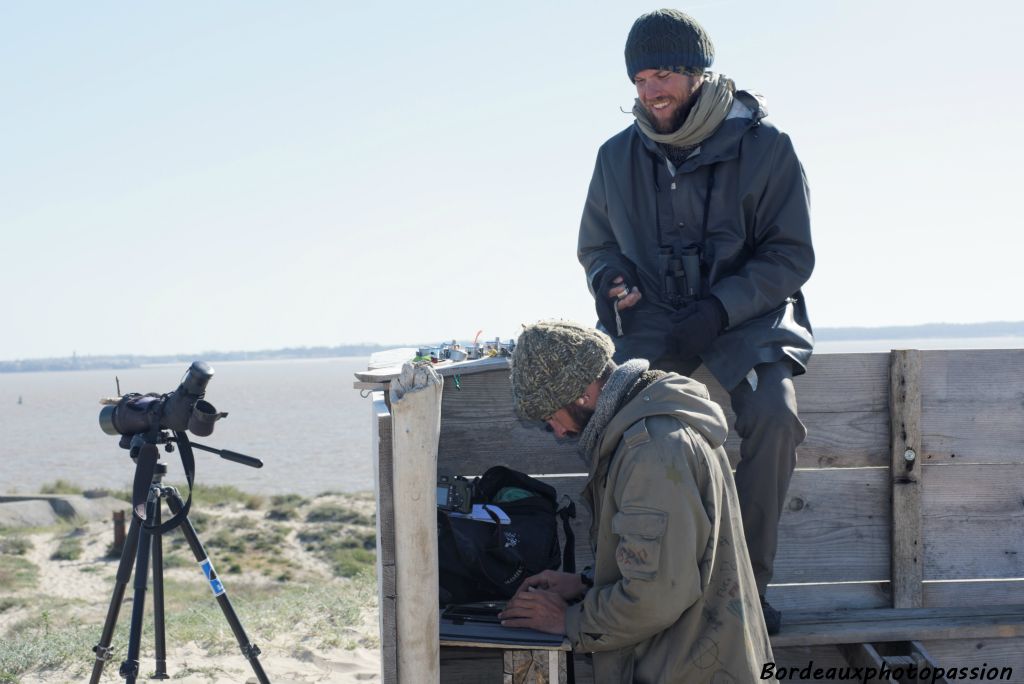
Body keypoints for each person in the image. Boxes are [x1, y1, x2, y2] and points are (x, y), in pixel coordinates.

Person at [577, 8, 815, 633]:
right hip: (654, 324)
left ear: (699, 75)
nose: (652, 91)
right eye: (641, 79)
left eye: (664, 74)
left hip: (748, 320)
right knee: (616, 423)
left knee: (774, 417)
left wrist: (719, 308)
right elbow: (597, 246)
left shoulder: (769, 149)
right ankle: (637, 587)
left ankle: (747, 593)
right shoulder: (615, 157)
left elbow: (791, 256)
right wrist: (611, 281)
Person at [500, 320, 771, 683]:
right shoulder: (652, 429)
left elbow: (656, 597)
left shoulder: (651, 451)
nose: (559, 431)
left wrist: (567, 621)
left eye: (552, 416)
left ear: (582, 393)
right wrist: (585, 583)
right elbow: (675, 557)